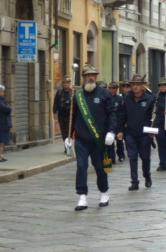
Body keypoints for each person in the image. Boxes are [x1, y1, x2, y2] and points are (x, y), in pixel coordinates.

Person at [68, 63, 116, 211]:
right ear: (83, 77)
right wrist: (68, 137)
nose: (90, 78)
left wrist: (111, 131)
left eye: (93, 75)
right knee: (81, 166)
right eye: (87, 75)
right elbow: (71, 116)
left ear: (96, 77)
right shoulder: (77, 95)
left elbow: (112, 113)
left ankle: (104, 192)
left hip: (99, 139)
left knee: (100, 167)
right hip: (81, 139)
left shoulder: (104, 94)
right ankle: (82, 196)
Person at [117, 74, 155, 191]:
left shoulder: (149, 99)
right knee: (132, 157)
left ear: (142, 86)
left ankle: (147, 175)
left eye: (137, 85)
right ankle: (134, 182)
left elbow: (154, 116)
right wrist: (119, 131)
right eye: (133, 85)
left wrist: (153, 131)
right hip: (130, 133)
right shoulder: (126, 99)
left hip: (145, 134)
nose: (135, 87)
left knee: (145, 157)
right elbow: (122, 115)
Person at [53, 75, 72, 153]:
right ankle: (66, 147)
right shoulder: (59, 92)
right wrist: (55, 113)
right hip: (61, 115)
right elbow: (55, 103)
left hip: (70, 115)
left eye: (67, 83)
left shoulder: (72, 92)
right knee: (64, 132)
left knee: (68, 131)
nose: (65, 84)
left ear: (69, 84)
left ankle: (68, 146)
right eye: (64, 83)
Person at [107, 82, 125, 163]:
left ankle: (121, 155)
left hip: (118, 121)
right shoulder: (106, 98)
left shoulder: (119, 99)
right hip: (110, 122)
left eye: (114, 88)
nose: (112, 90)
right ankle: (111, 157)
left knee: (119, 140)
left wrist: (123, 122)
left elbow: (122, 111)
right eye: (111, 88)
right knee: (110, 140)